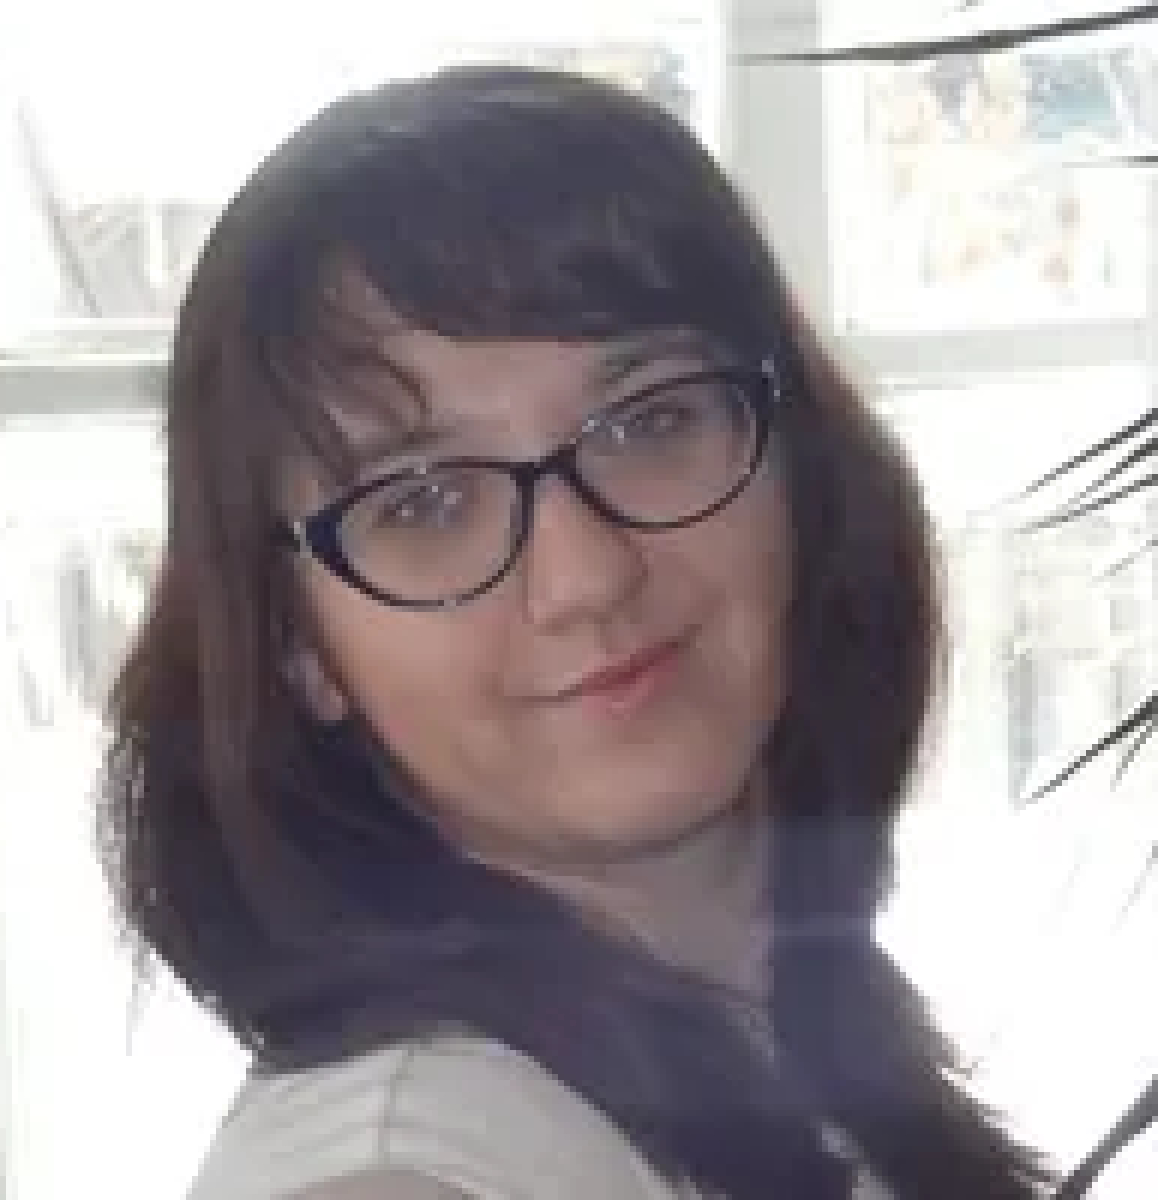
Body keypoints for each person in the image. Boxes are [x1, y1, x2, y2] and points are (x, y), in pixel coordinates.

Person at [99, 66, 1055, 1200]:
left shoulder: (781, 1033)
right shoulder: (403, 1173)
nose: (586, 575)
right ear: (296, 646)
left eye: (650, 422)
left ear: (800, 469)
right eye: (427, 502)